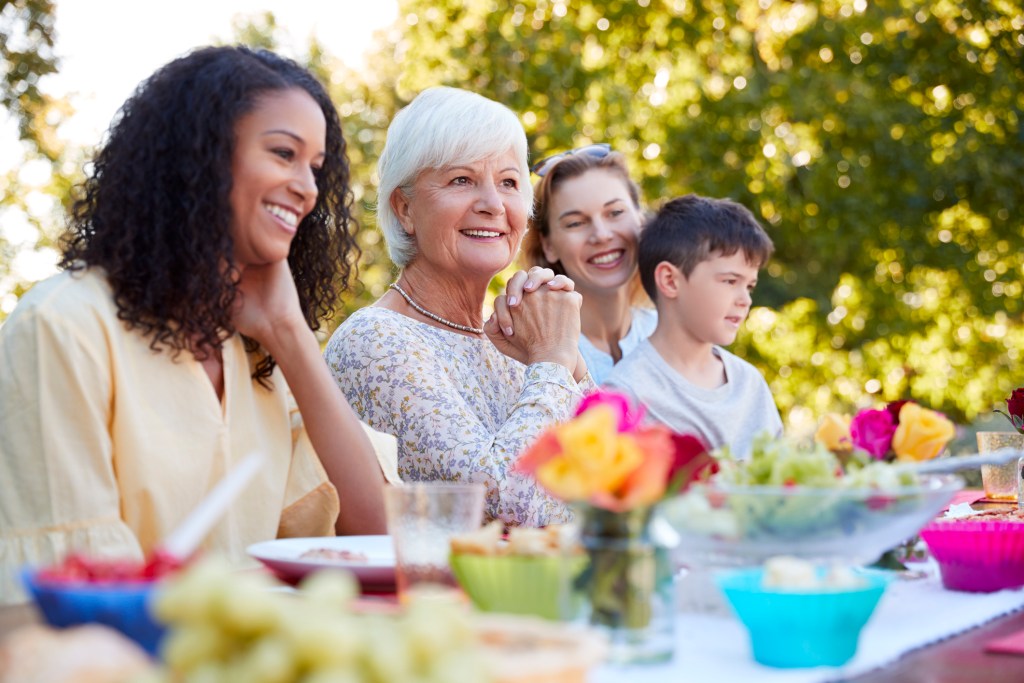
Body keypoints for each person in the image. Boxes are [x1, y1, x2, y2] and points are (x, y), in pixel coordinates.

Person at [0, 46, 399, 603]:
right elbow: (70, 598)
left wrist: (290, 336)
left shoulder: (256, 350)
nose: (309, 188)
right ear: (199, 158)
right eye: (283, 153)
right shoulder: (63, 328)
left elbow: (382, 531)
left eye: (315, 167)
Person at [325, 87, 594, 527]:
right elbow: (501, 509)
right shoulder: (376, 341)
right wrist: (553, 363)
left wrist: (569, 357)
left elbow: (622, 493)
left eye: (508, 183)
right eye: (461, 180)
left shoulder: (519, 343)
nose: (492, 204)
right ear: (405, 208)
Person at [604, 194, 783, 457]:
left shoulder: (750, 384)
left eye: (750, 285)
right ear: (670, 281)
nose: (745, 300)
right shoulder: (626, 394)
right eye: (730, 281)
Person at [522, 144, 656, 383]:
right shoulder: (532, 356)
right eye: (575, 223)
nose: (602, 235)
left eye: (615, 213)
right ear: (548, 245)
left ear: (640, 219)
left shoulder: (673, 334)